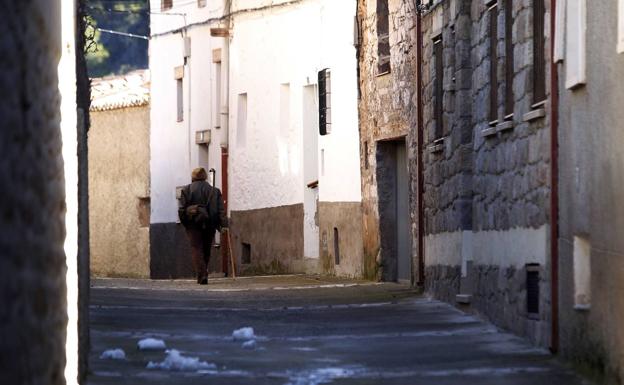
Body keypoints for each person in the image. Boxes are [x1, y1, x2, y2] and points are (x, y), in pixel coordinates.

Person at [178, 167, 228, 285]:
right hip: (209, 223)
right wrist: (224, 225)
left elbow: (181, 210)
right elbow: (221, 210)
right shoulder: (215, 191)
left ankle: (202, 274)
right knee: (206, 249)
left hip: (193, 225)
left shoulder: (186, 190)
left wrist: (186, 223)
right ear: (205, 176)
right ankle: (203, 272)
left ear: (193, 177)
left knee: (196, 248)